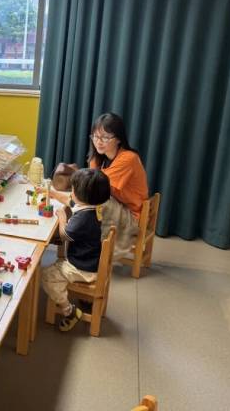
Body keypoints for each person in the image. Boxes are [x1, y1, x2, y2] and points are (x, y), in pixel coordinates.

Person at [42, 168, 111, 331]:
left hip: (83, 268)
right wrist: (51, 193)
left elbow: (65, 235)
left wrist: (62, 218)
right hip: (91, 260)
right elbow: (69, 201)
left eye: (73, 190)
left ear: (81, 196)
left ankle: (69, 311)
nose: (71, 192)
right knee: (54, 267)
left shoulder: (83, 218)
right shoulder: (92, 208)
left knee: (46, 276)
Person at [87, 113, 148, 255]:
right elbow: (90, 185)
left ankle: (94, 254)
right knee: (86, 201)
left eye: (105, 138)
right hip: (118, 205)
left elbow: (96, 186)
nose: (99, 142)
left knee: (94, 203)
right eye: (95, 136)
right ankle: (84, 247)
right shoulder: (97, 158)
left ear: (119, 139)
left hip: (131, 215)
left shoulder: (128, 158)